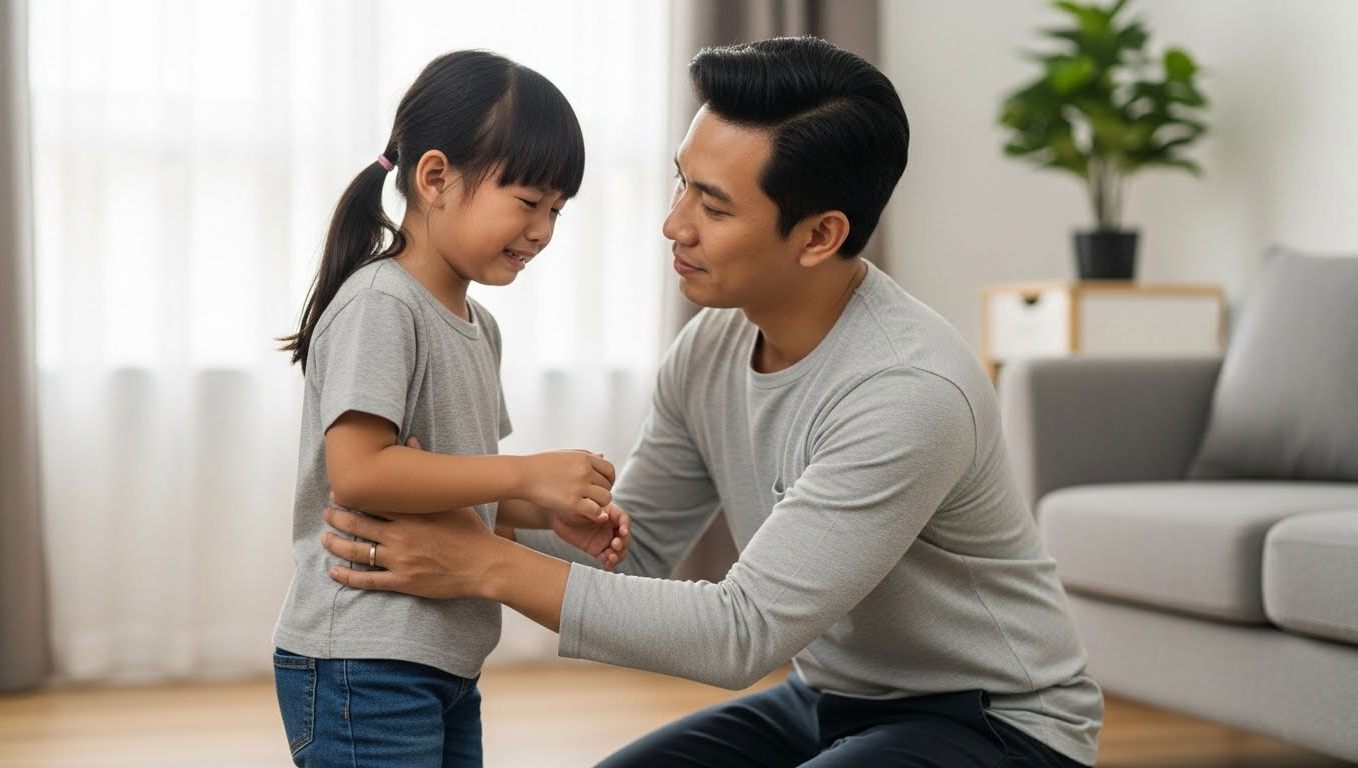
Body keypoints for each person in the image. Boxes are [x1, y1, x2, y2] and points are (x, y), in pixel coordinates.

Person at [320, 37, 1104, 766]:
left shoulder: (907, 391)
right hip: (829, 697)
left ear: (819, 235)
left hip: (997, 723)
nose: (674, 224)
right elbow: (632, 550)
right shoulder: (712, 347)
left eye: (714, 207)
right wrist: (468, 513)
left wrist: (483, 564)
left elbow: (741, 633)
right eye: (681, 182)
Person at [271, 50, 631, 768]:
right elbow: (361, 474)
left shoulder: (478, 325)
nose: (543, 230)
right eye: (528, 202)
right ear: (435, 178)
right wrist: (525, 474)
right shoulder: (382, 304)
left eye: (556, 211)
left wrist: (546, 510)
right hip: (363, 659)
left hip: (441, 658)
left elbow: (456, 482)